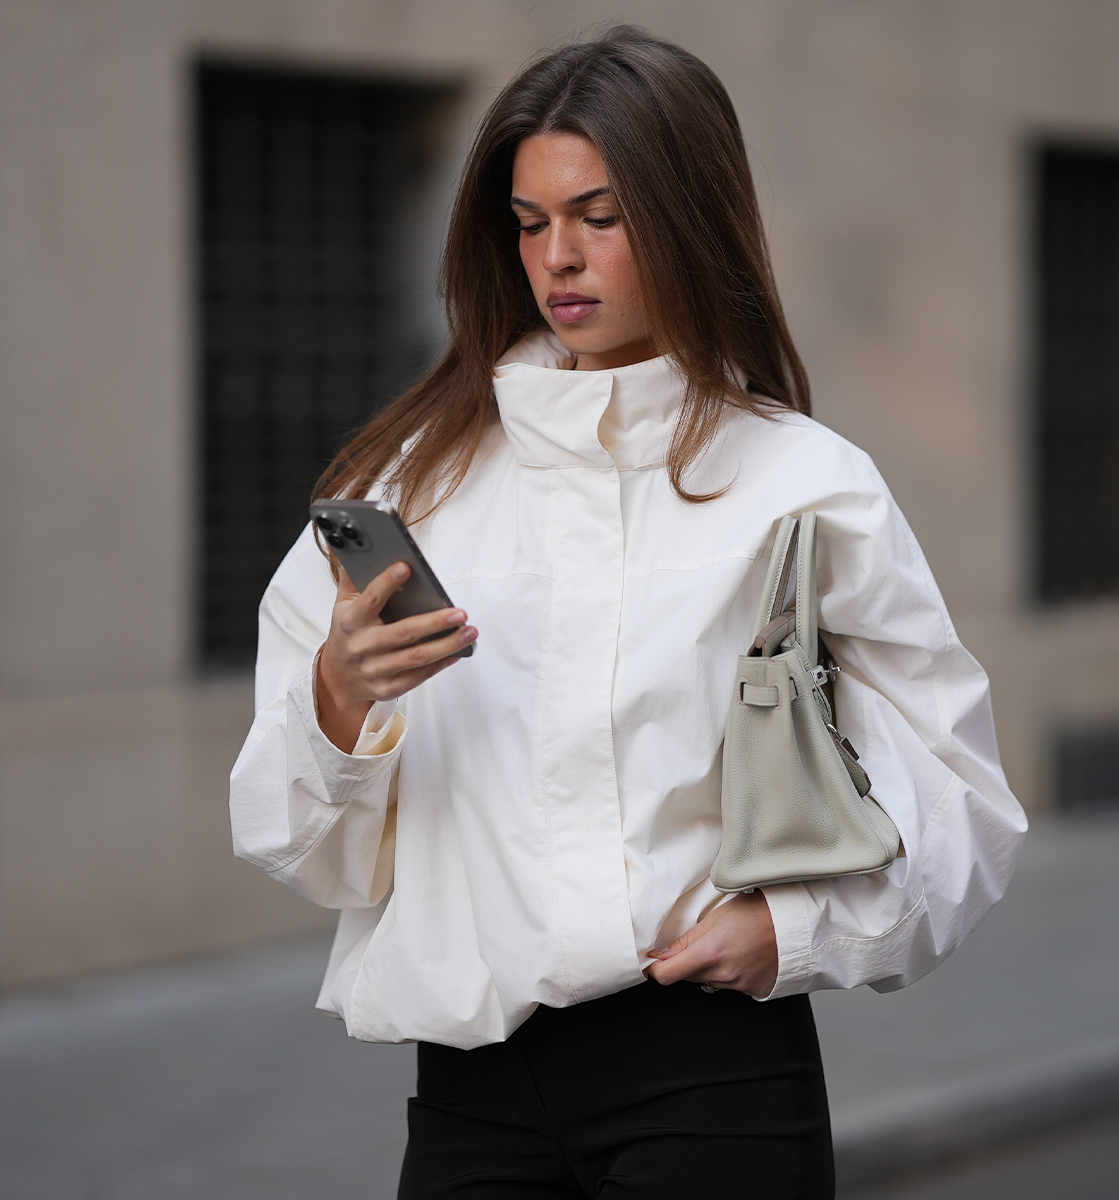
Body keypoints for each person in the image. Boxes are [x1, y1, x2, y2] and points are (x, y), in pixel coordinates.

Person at [230, 26, 1026, 1199]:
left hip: (707, 1074)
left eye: (601, 216)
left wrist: (797, 932)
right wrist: (338, 703)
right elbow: (304, 850)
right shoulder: (413, 484)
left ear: (689, 216)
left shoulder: (801, 481)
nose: (560, 257)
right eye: (531, 220)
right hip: (469, 1091)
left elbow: (961, 793)